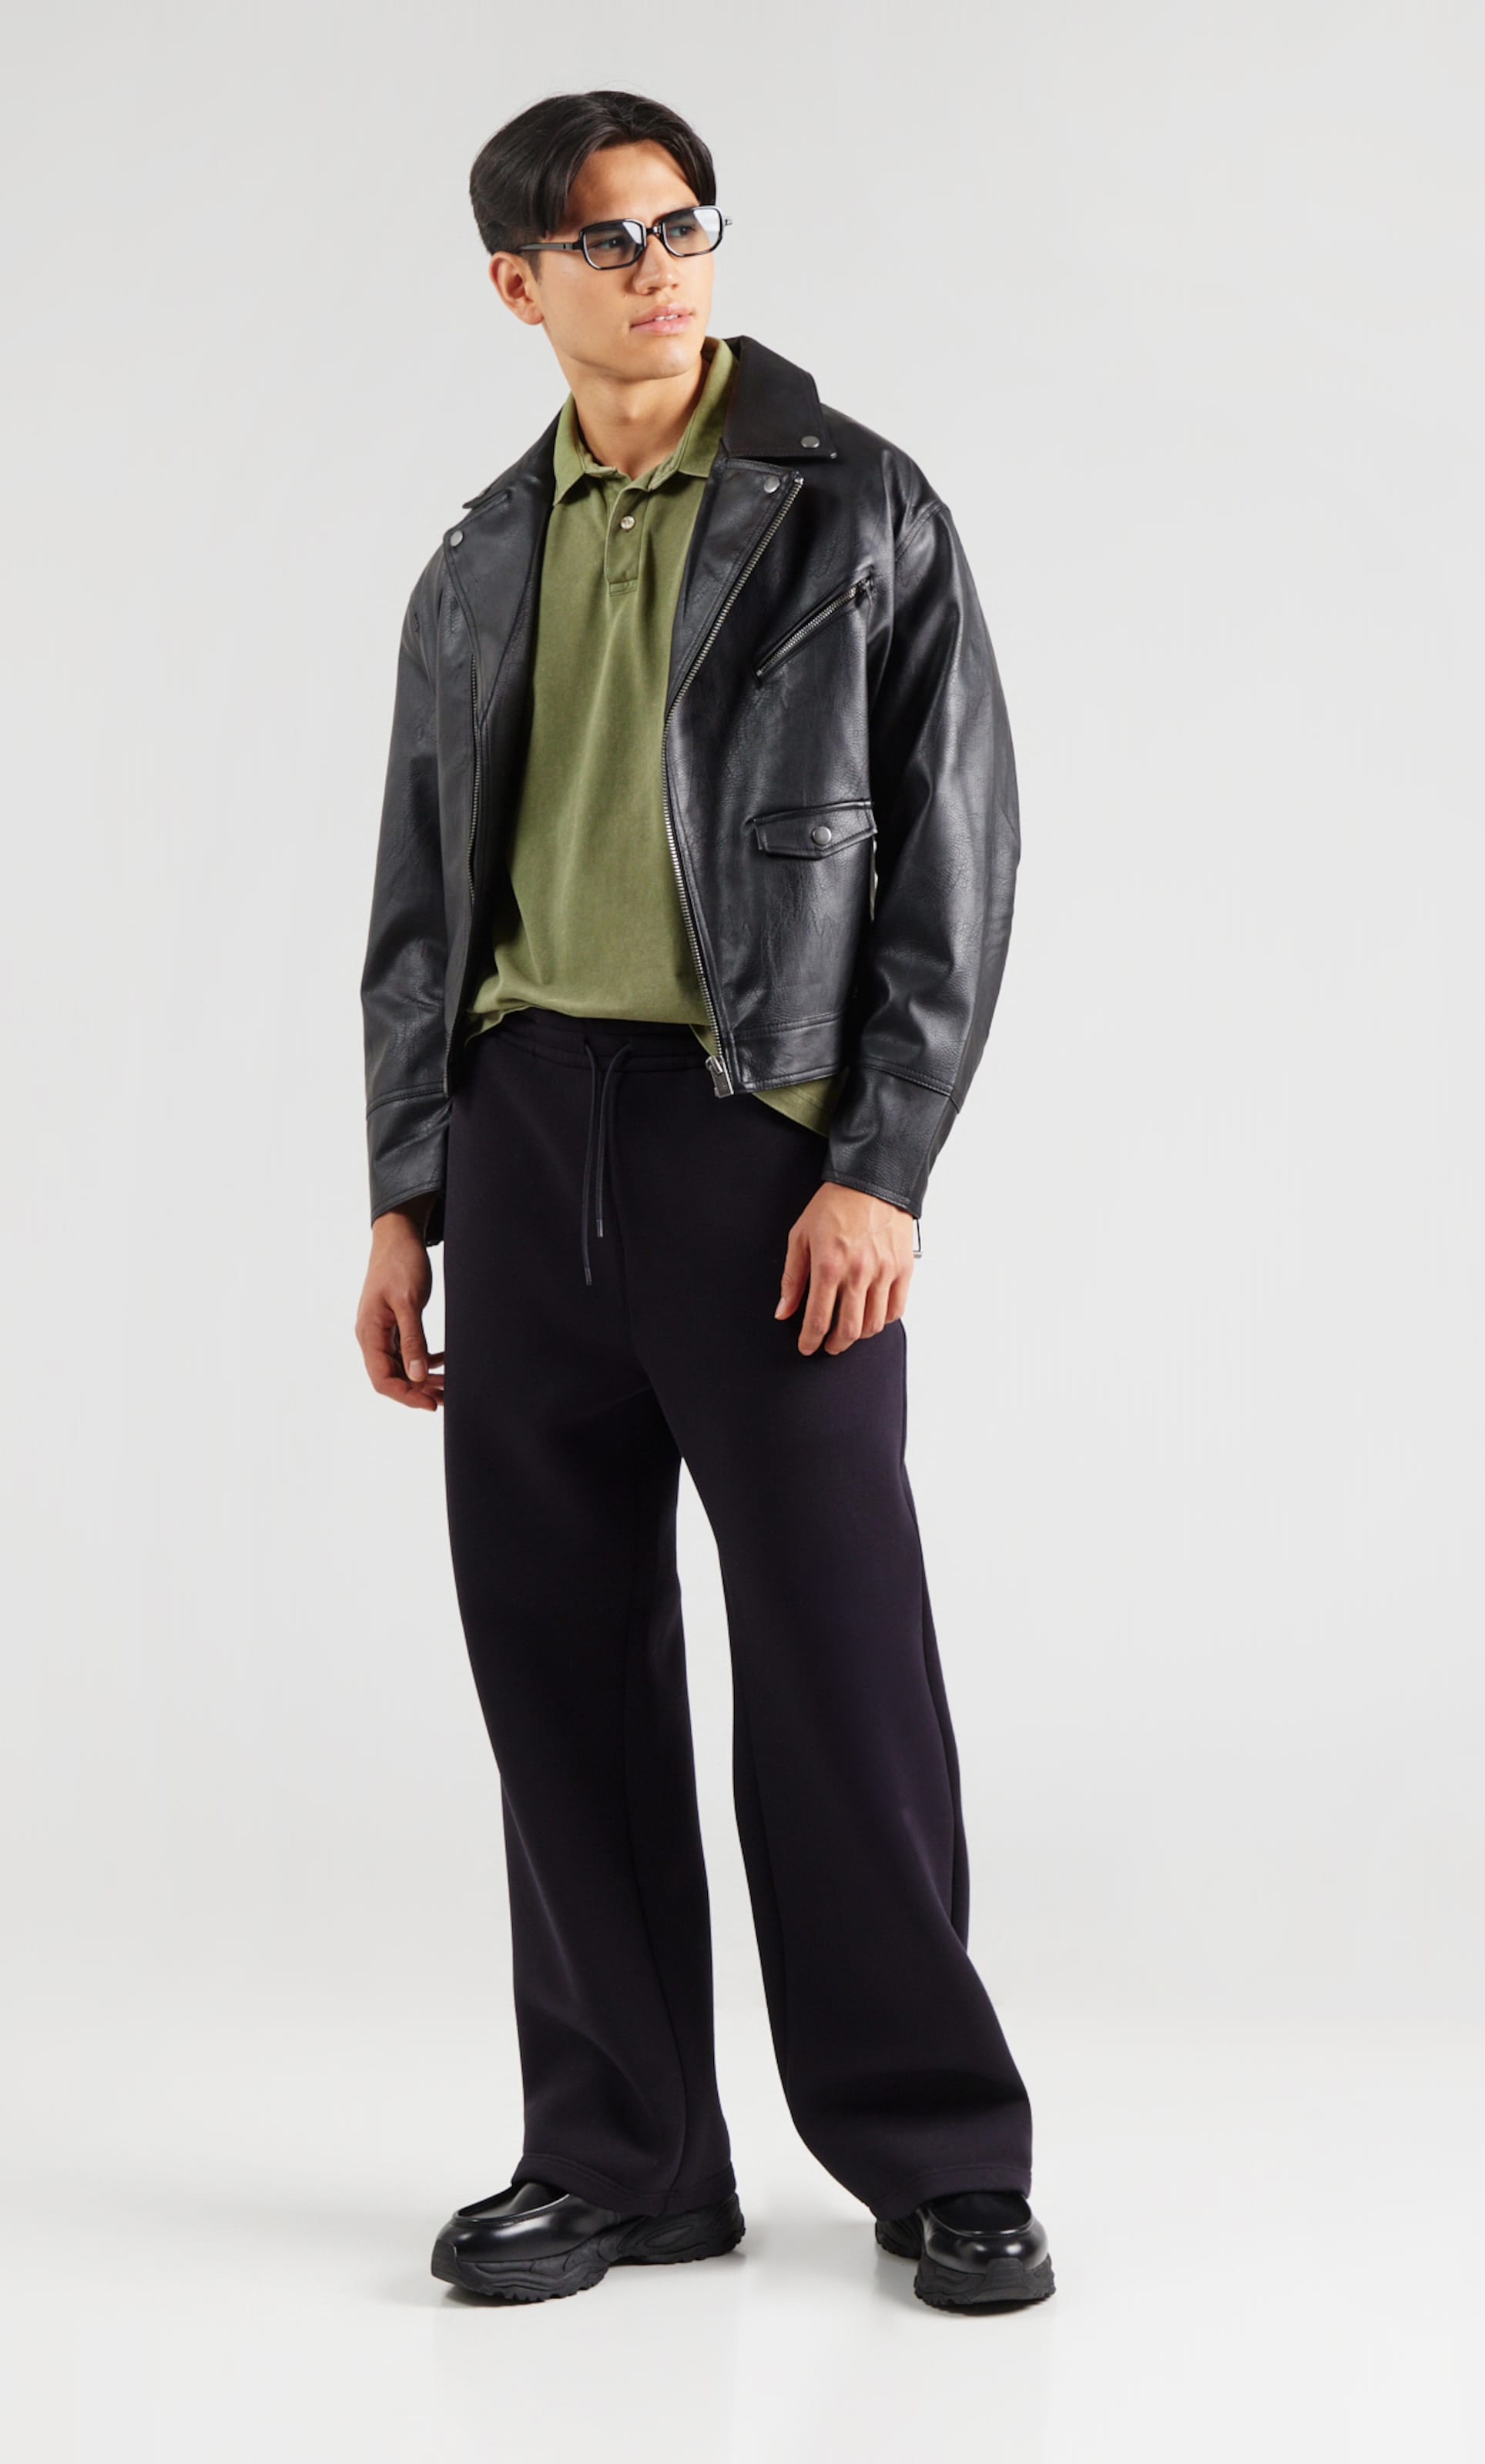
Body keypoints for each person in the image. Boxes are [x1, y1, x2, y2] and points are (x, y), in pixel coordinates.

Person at [354, 88, 1052, 2314]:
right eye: (608, 240)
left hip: (761, 1140)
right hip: (523, 1127)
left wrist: (881, 1165)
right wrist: (405, 1192)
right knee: (555, 1658)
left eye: (683, 225)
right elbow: (419, 899)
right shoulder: (482, 553)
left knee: (839, 1663)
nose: (660, 267)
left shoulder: (855, 505)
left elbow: (956, 854)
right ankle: (624, 2154)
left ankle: (939, 2152)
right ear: (517, 284)